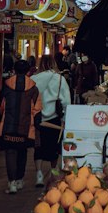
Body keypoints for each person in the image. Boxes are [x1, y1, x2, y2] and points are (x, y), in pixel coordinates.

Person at [0, 59, 41, 191]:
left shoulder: (6, 86)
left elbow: (0, 106)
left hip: (8, 126)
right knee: (22, 152)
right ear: (28, 71)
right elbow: (37, 110)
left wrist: (2, 119)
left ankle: (12, 183)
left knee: (10, 152)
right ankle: (20, 180)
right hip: (26, 127)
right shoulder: (34, 89)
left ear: (14, 70)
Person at [33, 53, 72, 188]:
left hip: (37, 119)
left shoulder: (33, 78)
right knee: (54, 147)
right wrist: (66, 118)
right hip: (54, 119)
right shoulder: (59, 79)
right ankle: (52, 173)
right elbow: (66, 101)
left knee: (38, 146)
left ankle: (38, 174)